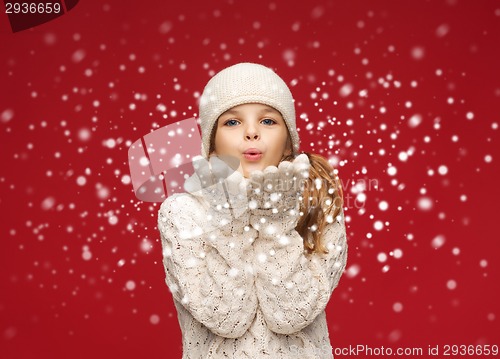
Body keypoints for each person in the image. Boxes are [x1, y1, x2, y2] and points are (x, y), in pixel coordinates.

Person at [157, 62, 348, 359]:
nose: (251, 133)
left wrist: (276, 229)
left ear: (288, 144)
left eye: (268, 121)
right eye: (232, 122)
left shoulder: (317, 202)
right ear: (211, 145)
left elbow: (289, 317)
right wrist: (231, 225)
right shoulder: (183, 213)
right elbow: (227, 320)